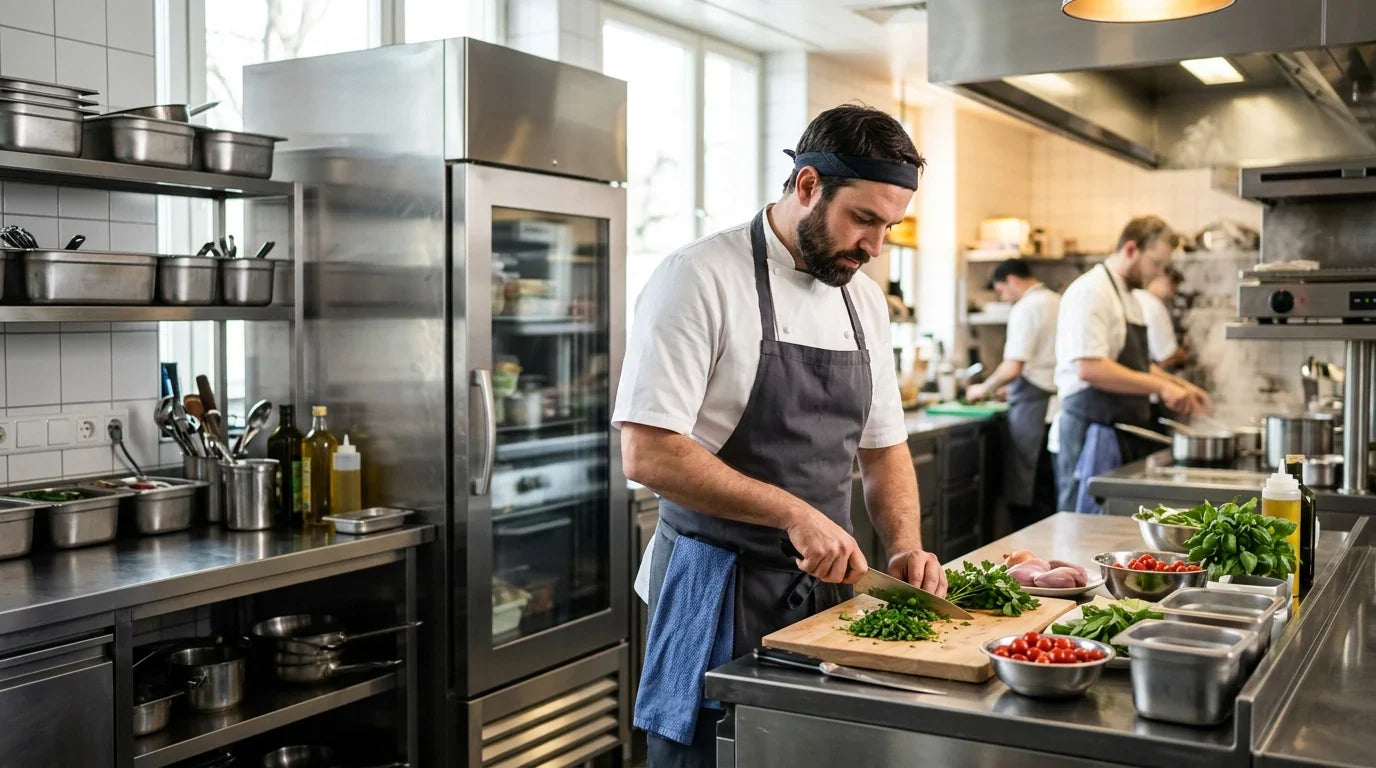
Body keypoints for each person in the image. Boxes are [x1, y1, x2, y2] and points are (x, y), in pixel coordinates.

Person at [614, 105, 939, 767]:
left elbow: (884, 448)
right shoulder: (698, 277)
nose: (875, 246)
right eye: (865, 220)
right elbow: (649, 451)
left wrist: (906, 545)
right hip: (713, 593)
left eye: (890, 226)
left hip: (823, 596)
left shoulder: (861, 297)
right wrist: (793, 512)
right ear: (809, 185)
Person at [1054, 217, 1211, 513]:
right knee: (1082, 524)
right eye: (1155, 263)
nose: (1158, 273)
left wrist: (1182, 386)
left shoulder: (1130, 297)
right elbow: (1090, 368)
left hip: (1119, 430)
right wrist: (1163, 387)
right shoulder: (1091, 291)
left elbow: (1137, 364)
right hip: (1092, 430)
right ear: (1130, 249)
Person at [967, 259, 1060, 529]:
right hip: (1056, 408)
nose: (1003, 298)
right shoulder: (1057, 300)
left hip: (1035, 411)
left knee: (1027, 490)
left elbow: (1014, 366)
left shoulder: (1026, 307)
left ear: (1012, 280)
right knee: (1047, 488)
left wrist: (982, 389)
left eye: (1002, 291)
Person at [1134, 265, 1189, 370]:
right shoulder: (1155, 306)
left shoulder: (1135, 296)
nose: (1172, 295)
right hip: (1147, 373)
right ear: (1164, 279)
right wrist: (1184, 353)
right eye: (1172, 288)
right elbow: (1166, 357)